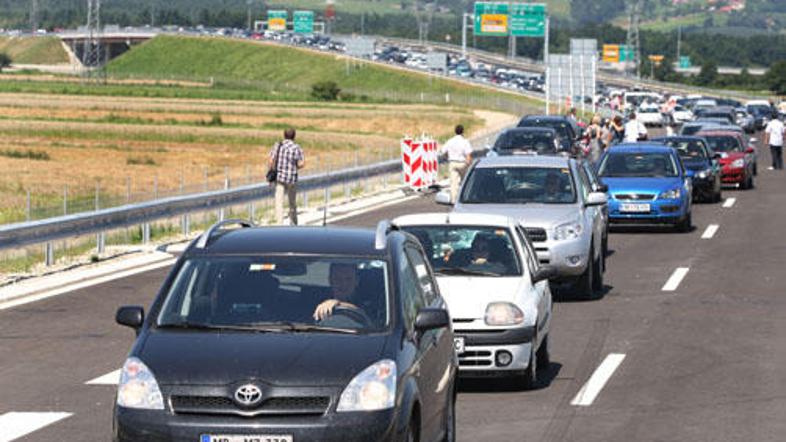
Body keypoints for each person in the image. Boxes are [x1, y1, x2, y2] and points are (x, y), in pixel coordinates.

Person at [269, 128, 305, 225]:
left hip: (280, 178)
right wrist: (294, 165)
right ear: (294, 136)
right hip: (291, 179)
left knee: (279, 203)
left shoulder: (277, 145)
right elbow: (301, 164)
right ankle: (293, 223)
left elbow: (271, 161)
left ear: (284, 135)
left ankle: (279, 224)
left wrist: (271, 173)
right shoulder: (297, 147)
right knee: (292, 203)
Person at [441, 125, 473, 203]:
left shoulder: (450, 141)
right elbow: (468, 155)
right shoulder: (465, 141)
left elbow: (443, 151)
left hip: (452, 163)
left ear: (455, 131)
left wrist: (447, 157)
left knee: (453, 183)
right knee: (465, 181)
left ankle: (454, 200)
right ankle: (465, 197)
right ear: (463, 131)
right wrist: (469, 163)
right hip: (462, 163)